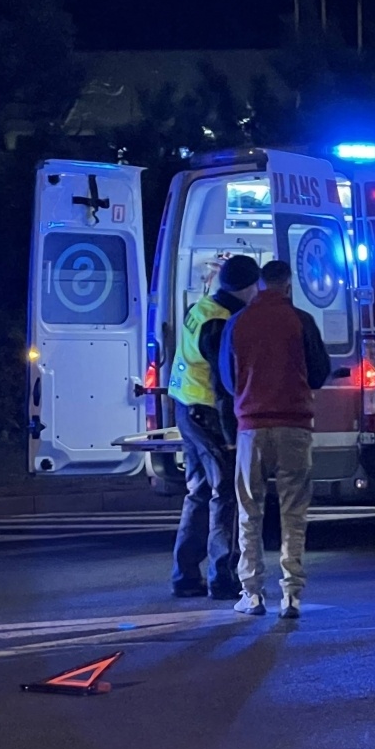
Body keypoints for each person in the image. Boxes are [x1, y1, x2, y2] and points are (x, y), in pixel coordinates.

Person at [220, 259, 331, 619]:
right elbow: (318, 373)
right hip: (295, 427)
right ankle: (292, 595)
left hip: (251, 428)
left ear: (260, 284)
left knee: (250, 512)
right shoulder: (302, 321)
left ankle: (251, 594)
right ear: (288, 285)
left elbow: (225, 376)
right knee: (293, 513)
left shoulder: (238, 321)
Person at [168, 255, 259, 599]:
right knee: (226, 494)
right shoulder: (222, 322)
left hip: (187, 407)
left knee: (200, 492)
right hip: (206, 413)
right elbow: (224, 384)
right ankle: (223, 576)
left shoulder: (204, 307)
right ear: (250, 287)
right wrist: (229, 434)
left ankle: (186, 575)